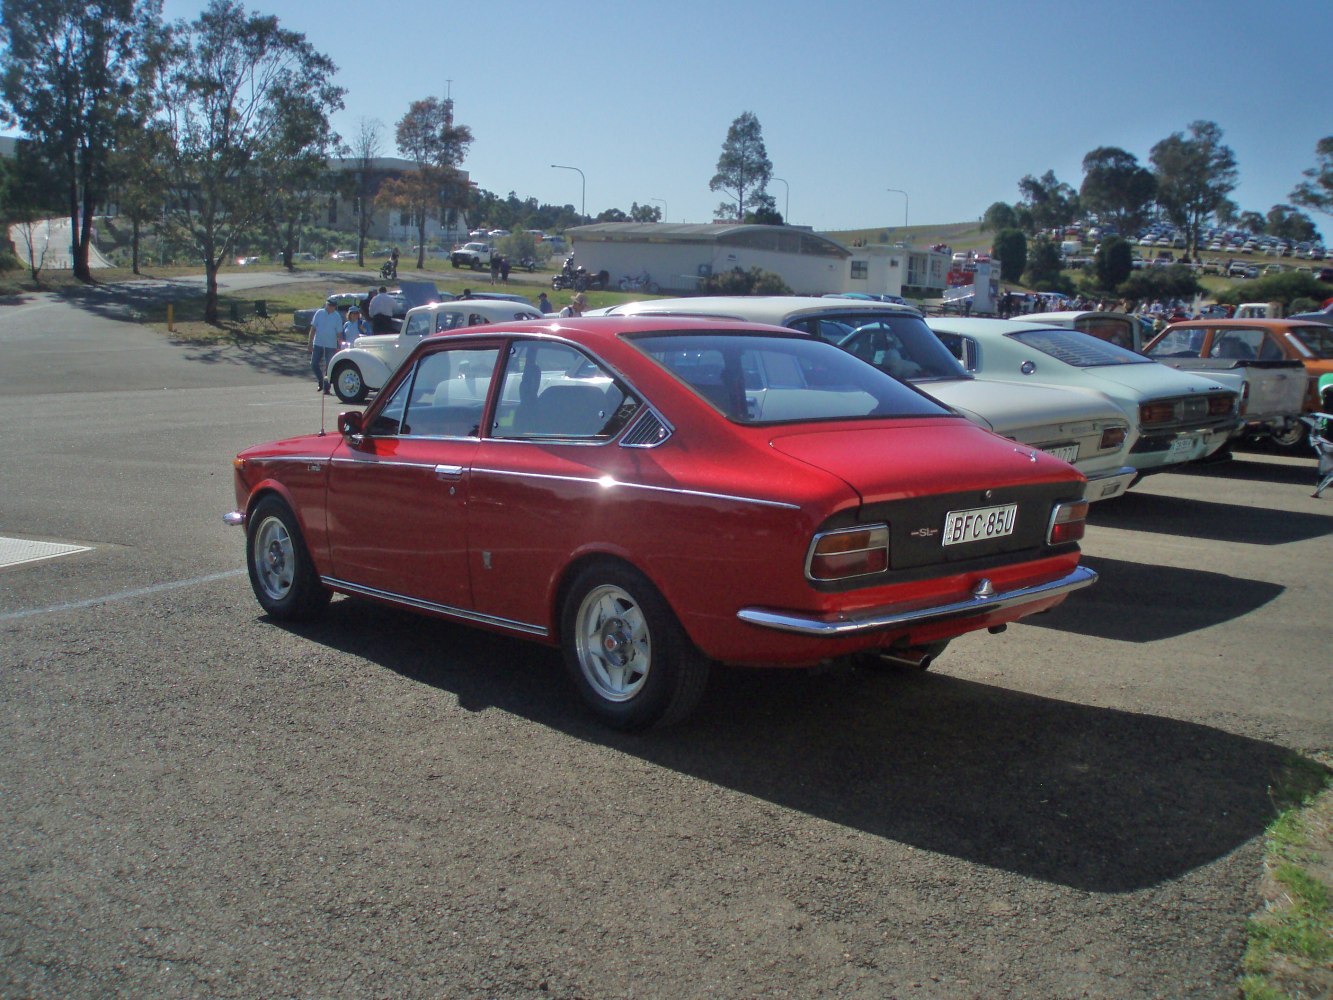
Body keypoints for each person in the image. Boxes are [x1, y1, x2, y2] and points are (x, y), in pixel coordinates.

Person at [308, 299, 342, 393]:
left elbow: (339, 332)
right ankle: (321, 380)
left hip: (330, 344)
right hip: (318, 342)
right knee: (314, 363)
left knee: (329, 366)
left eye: (333, 306)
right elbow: (313, 328)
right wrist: (310, 342)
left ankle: (326, 387)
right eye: (329, 305)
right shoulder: (319, 313)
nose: (331, 307)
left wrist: (340, 345)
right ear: (326, 305)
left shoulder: (337, 316)